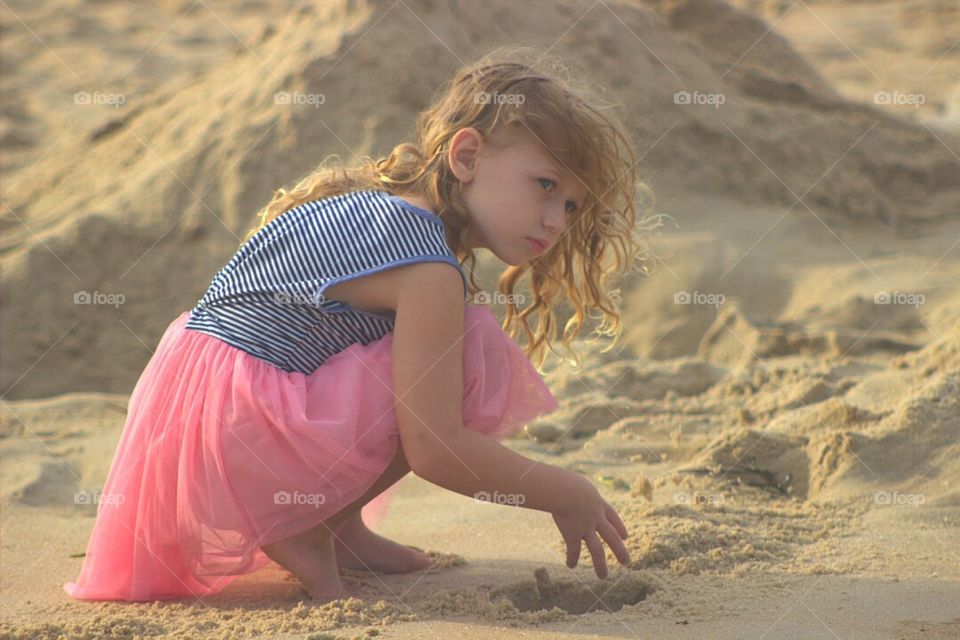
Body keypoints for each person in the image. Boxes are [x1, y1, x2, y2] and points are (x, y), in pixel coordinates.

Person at [64, 46, 659, 603]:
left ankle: (341, 529)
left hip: (196, 415)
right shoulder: (427, 267)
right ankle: (311, 528)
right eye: (546, 186)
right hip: (242, 426)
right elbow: (436, 449)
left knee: (429, 346)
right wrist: (565, 491)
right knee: (475, 351)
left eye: (572, 205)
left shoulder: (379, 204)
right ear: (468, 155)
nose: (556, 220)